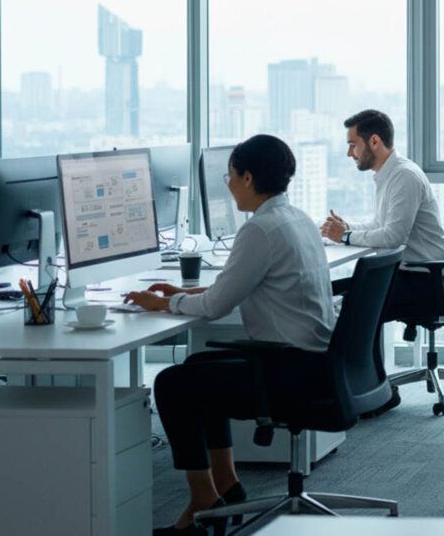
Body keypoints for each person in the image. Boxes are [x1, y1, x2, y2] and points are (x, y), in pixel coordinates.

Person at [124, 135, 335, 535]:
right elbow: (236, 287)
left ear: (249, 177)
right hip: (313, 363)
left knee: (171, 384)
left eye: (231, 176)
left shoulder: (261, 230)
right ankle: (227, 485)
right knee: (197, 367)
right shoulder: (297, 219)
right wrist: (186, 293)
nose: (229, 183)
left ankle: (203, 504)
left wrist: (162, 304)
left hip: (288, 371)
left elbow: (215, 308)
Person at [320, 109, 444, 325]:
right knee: (330, 292)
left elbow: (392, 237)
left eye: (353, 145)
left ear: (374, 141)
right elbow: (380, 225)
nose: (349, 154)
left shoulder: (404, 176)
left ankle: (356, 359)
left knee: (347, 303)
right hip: (407, 273)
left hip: (424, 281)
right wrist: (347, 228)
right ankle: (356, 359)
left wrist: (345, 236)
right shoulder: (388, 174)